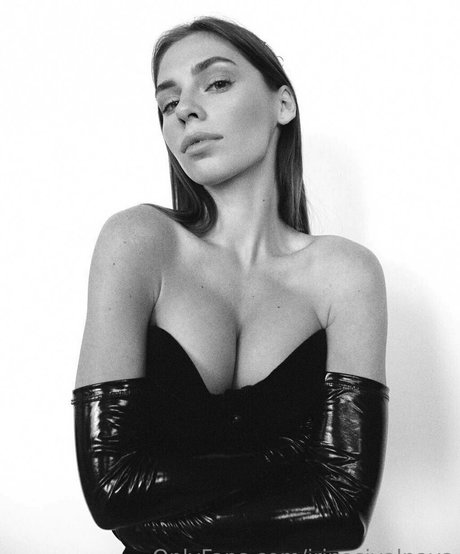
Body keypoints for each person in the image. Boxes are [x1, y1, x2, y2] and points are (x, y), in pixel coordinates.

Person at [71, 15, 389, 554]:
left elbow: (343, 512)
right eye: (168, 103)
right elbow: (112, 492)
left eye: (215, 83)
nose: (185, 111)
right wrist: (290, 461)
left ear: (283, 104)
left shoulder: (346, 274)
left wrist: (151, 516)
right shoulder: (138, 243)